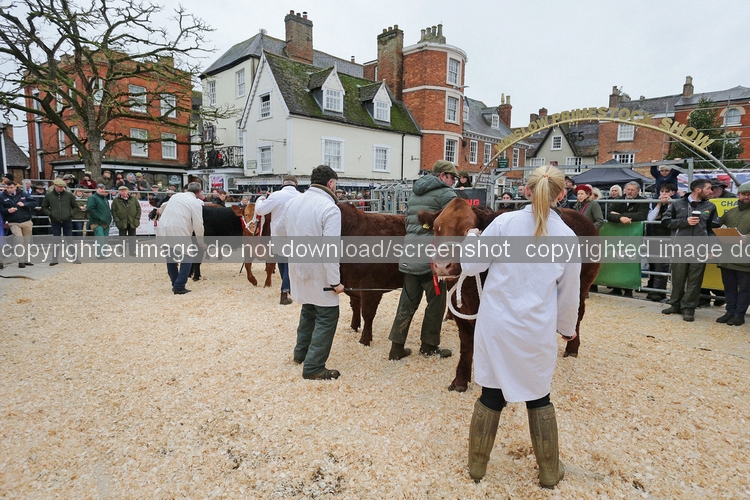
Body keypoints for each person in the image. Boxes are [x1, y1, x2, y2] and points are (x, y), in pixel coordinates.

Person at [461, 165, 580, 488]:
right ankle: (549, 472)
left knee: (491, 393)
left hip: (497, 323)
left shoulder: (504, 223)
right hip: (536, 328)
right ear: (561, 194)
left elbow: (471, 265)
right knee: (538, 395)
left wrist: (471, 238)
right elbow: (569, 292)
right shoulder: (568, 237)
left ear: (526, 191)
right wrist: (567, 327)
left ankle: (477, 469)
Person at [276, 165, 344, 380]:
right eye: (335, 184)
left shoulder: (293, 202)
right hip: (320, 273)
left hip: (298, 267)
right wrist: (335, 282)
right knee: (327, 316)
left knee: (308, 310)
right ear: (330, 183)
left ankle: (301, 354)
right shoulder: (330, 208)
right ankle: (314, 367)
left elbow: (278, 230)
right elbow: (330, 250)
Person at [387, 160, 458, 361]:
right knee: (436, 303)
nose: (453, 182)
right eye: (452, 178)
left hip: (409, 256)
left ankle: (396, 347)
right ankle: (429, 346)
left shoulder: (415, 193)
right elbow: (454, 224)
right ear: (442, 176)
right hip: (431, 260)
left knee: (406, 303)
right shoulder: (446, 194)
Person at [661, 178, 719, 322]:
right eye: (708, 188)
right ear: (698, 189)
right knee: (678, 277)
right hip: (680, 247)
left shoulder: (710, 207)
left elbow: (713, 230)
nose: (711, 191)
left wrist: (711, 248)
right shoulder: (677, 204)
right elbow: (665, 221)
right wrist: (684, 222)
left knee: (695, 279)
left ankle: (688, 308)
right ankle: (675, 304)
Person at [255, 175, 301, 305]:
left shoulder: (276, 195)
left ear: (283, 183)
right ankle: (286, 290)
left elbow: (260, 210)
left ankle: (285, 290)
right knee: (289, 263)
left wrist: (261, 198)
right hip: (295, 233)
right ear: (296, 184)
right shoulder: (300, 196)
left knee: (282, 261)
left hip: (278, 233)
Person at [156, 182, 204, 294]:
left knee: (171, 257)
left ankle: (175, 282)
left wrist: (161, 212)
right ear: (199, 192)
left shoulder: (176, 196)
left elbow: (163, 206)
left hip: (163, 226)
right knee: (188, 256)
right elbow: (198, 225)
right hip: (178, 229)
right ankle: (179, 286)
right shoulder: (195, 203)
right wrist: (200, 242)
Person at [715, 181, 750, 326]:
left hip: (745, 259)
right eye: (744, 194)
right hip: (727, 257)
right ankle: (729, 312)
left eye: (749, 195)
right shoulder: (730, 212)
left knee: (745, 289)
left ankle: (739, 315)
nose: (746, 197)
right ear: (738, 194)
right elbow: (718, 227)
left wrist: (747, 238)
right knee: (729, 288)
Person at [606, 181, 649, 297]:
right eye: (628, 189)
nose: (629, 192)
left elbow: (641, 215)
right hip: (617, 234)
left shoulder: (642, 201)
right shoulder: (618, 200)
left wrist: (620, 215)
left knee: (630, 261)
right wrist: (620, 218)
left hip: (633, 235)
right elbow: (608, 214)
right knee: (616, 259)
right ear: (624, 190)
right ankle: (616, 287)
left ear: (638, 191)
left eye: (632, 190)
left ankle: (629, 289)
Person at [645, 183, 677, 302]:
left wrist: (669, 205)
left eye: (666, 192)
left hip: (667, 237)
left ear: (673, 193)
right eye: (662, 192)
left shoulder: (676, 203)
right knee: (652, 263)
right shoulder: (654, 202)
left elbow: (669, 219)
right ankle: (652, 289)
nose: (663, 194)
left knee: (661, 265)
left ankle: (658, 292)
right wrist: (658, 205)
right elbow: (650, 218)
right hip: (653, 235)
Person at [0, 180, 38, 268]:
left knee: (27, 241)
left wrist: (24, 204)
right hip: (13, 221)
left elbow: (34, 203)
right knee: (19, 240)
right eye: (7, 187)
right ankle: (21, 261)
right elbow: (1, 209)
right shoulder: (2, 197)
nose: (9, 189)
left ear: (15, 187)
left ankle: (26, 259)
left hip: (26, 220)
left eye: (11, 187)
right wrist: (8, 210)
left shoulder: (23, 194)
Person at [42, 179, 79, 265]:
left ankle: (75, 258)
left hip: (67, 220)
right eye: (60, 187)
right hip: (55, 221)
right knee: (56, 240)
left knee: (69, 239)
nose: (62, 188)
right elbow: (44, 207)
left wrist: (70, 214)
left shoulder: (69, 195)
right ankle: (54, 259)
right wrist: (50, 214)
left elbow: (75, 207)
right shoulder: (49, 196)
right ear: (55, 186)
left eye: (63, 187)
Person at [111, 186, 141, 256]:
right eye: (122, 191)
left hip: (132, 221)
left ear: (127, 191)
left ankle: (132, 251)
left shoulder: (133, 199)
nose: (124, 192)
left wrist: (137, 218)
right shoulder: (116, 200)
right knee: (122, 238)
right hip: (122, 221)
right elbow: (113, 211)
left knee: (132, 238)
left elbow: (138, 209)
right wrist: (117, 220)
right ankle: (122, 252)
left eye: (125, 191)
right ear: (119, 192)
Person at [86, 184, 112, 259]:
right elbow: (90, 209)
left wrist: (109, 218)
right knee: (100, 238)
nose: (102, 190)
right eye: (100, 188)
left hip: (106, 222)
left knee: (105, 239)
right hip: (96, 222)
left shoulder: (105, 199)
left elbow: (107, 210)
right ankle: (99, 254)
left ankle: (103, 253)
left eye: (103, 189)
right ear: (96, 189)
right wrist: (99, 217)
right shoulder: (92, 198)